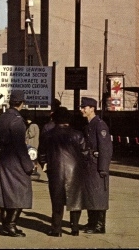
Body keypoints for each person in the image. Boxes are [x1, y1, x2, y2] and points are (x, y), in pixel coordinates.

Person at [0, 90, 35, 237]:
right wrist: (28, 165)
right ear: (22, 103)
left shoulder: (3, 117)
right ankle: (11, 225)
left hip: (3, 157)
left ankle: (5, 225)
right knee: (21, 191)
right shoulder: (17, 120)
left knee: (5, 193)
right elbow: (20, 146)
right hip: (15, 159)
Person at [38, 107, 86, 237]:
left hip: (55, 170)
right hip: (75, 171)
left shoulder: (48, 135)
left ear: (55, 119)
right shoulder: (78, 134)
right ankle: (74, 229)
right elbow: (84, 153)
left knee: (57, 201)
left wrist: (45, 165)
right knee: (75, 200)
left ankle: (56, 229)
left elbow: (41, 153)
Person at [79, 97, 112, 234]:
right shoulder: (88, 125)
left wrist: (103, 168)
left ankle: (99, 225)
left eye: (84, 107)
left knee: (99, 195)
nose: (81, 110)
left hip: (97, 166)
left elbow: (105, 148)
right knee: (90, 195)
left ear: (92, 108)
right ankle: (91, 222)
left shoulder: (100, 125)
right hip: (89, 165)